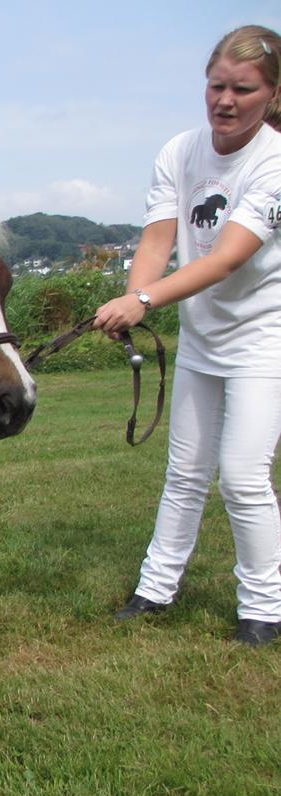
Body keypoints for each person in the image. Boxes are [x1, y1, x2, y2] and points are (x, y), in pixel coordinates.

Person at [95, 25, 281, 646]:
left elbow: (226, 258)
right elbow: (157, 240)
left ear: (272, 93)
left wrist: (143, 299)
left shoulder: (275, 164)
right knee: (185, 472)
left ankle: (264, 607)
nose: (225, 100)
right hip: (205, 337)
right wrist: (134, 302)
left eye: (243, 90)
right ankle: (156, 588)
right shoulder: (179, 151)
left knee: (243, 476)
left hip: (265, 339)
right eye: (216, 85)